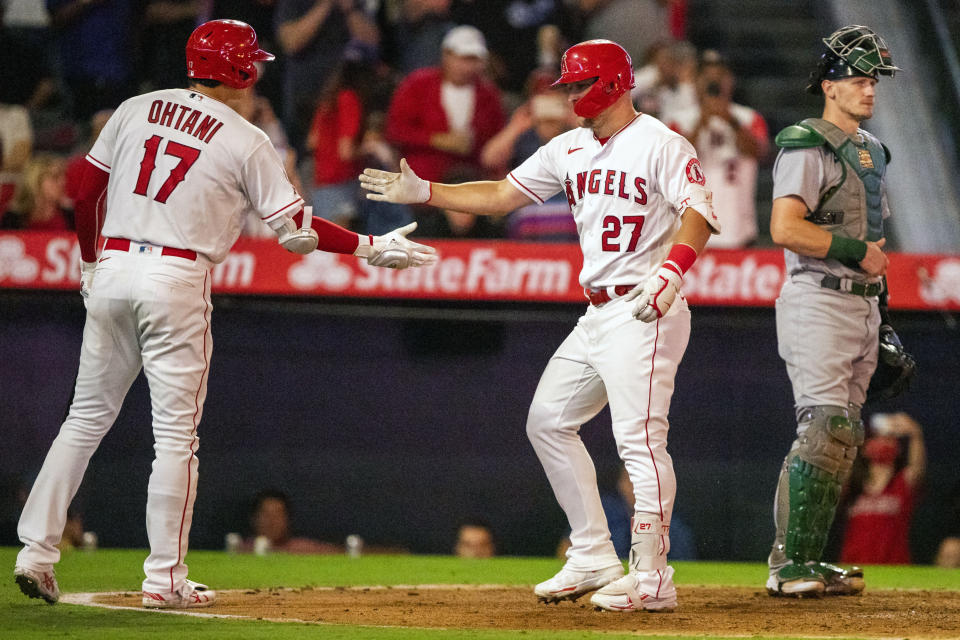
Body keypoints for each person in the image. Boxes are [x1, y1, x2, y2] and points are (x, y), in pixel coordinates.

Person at [13, 19, 436, 609]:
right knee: (175, 440)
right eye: (252, 63)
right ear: (239, 70)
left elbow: (86, 191)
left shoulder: (136, 107)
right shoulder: (245, 137)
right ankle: (164, 581)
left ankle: (36, 553)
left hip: (111, 266)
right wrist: (369, 246)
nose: (258, 72)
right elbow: (297, 232)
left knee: (83, 420)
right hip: (175, 278)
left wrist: (88, 265)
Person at [362, 39, 719, 612]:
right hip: (598, 310)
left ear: (611, 83)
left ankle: (652, 577)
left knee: (640, 443)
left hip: (647, 304)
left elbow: (700, 212)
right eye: (570, 85)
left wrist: (673, 271)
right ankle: (593, 554)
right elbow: (503, 194)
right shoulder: (569, 147)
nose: (573, 94)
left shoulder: (661, 142)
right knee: (548, 421)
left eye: (580, 84)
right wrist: (427, 192)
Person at [765, 25, 899, 598]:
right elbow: (785, 228)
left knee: (844, 439)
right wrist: (854, 253)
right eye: (858, 80)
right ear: (829, 85)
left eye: (872, 81)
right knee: (823, 429)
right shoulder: (806, 142)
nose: (869, 91)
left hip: (861, 306)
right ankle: (786, 564)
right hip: (818, 298)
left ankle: (811, 560)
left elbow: (872, 238)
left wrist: (882, 312)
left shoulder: (870, 149)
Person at [668, 52, 768, 248]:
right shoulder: (678, 120)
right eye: (707, 77)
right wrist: (700, 123)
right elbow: (673, 162)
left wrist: (730, 120)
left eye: (720, 76)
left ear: (729, 80)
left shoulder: (748, 118)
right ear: (697, 81)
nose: (714, 82)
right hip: (687, 229)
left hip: (739, 227)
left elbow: (759, 154)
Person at [384, 24, 505, 183]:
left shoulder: (488, 94)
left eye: (474, 60)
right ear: (446, 56)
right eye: (463, 58)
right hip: (423, 181)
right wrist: (437, 140)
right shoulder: (418, 84)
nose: (468, 67)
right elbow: (395, 130)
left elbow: (497, 137)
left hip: (470, 179)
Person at [839, 413, 925, 564]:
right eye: (875, 438)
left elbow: (917, 467)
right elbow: (839, 468)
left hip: (895, 565)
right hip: (854, 564)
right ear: (865, 448)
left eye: (889, 438)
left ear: (897, 447)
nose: (883, 443)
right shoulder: (854, 484)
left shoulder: (902, 482)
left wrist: (915, 433)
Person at [239, 490, 341, 554]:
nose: (271, 521)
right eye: (265, 514)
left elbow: (340, 553)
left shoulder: (302, 548)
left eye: (278, 515)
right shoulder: (240, 551)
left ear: (288, 519)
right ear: (253, 519)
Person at [2, 154, 73, 230]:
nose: (63, 182)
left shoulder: (73, 218)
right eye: (55, 177)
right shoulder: (12, 220)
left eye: (64, 177)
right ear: (35, 181)